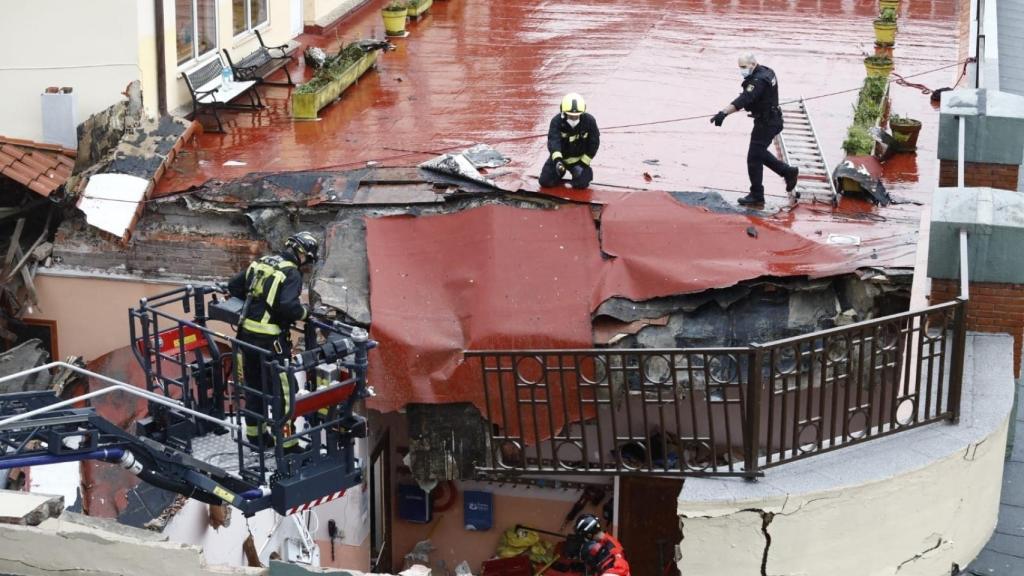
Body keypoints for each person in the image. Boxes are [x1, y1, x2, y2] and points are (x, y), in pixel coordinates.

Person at [227, 231, 320, 454]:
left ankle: (256, 438)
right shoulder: (291, 273)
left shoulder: (261, 262)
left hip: (246, 339)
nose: (306, 264)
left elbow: (233, 285)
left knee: (253, 387)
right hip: (271, 344)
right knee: (284, 393)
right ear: (302, 254)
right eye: (307, 259)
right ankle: (287, 445)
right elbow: (289, 307)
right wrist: (306, 314)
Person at [710, 53, 799, 206]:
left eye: (744, 67)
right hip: (769, 119)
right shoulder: (767, 71)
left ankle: (763, 189)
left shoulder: (758, 80)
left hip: (767, 122)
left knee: (754, 157)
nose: (742, 70)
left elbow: (745, 99)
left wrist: (723, 113)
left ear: (753, 64)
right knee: (757, 155)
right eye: (740, 67)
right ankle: (779, 177)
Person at [539, 93, 600, 189]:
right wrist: (558, 161)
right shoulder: (556, 121)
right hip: (560, 160)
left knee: (582, 184)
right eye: (571, 116)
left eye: (576, 116)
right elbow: (554, 141)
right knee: (545, 182)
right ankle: (560, 172)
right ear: (563, 112)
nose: (574, 119)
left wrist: (582, 164)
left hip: (579, 161)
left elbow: (594, 143)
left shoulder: (589, 121)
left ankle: (580, 173)